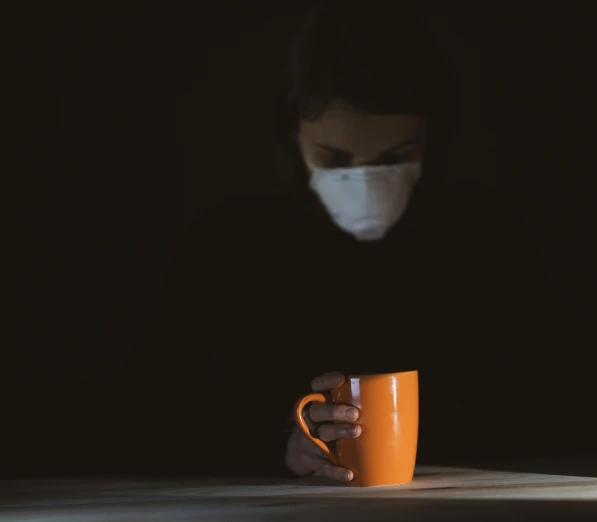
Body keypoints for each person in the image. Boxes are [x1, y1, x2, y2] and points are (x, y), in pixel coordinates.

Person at [141, 1, 561, 480]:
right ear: (293, 139)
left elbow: (556, 399)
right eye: (336, 159)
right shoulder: (226, 249)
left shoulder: (487, 241)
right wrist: (282, 445)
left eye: (395, 157)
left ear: (432, 140)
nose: (365, 182)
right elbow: (152, 414)